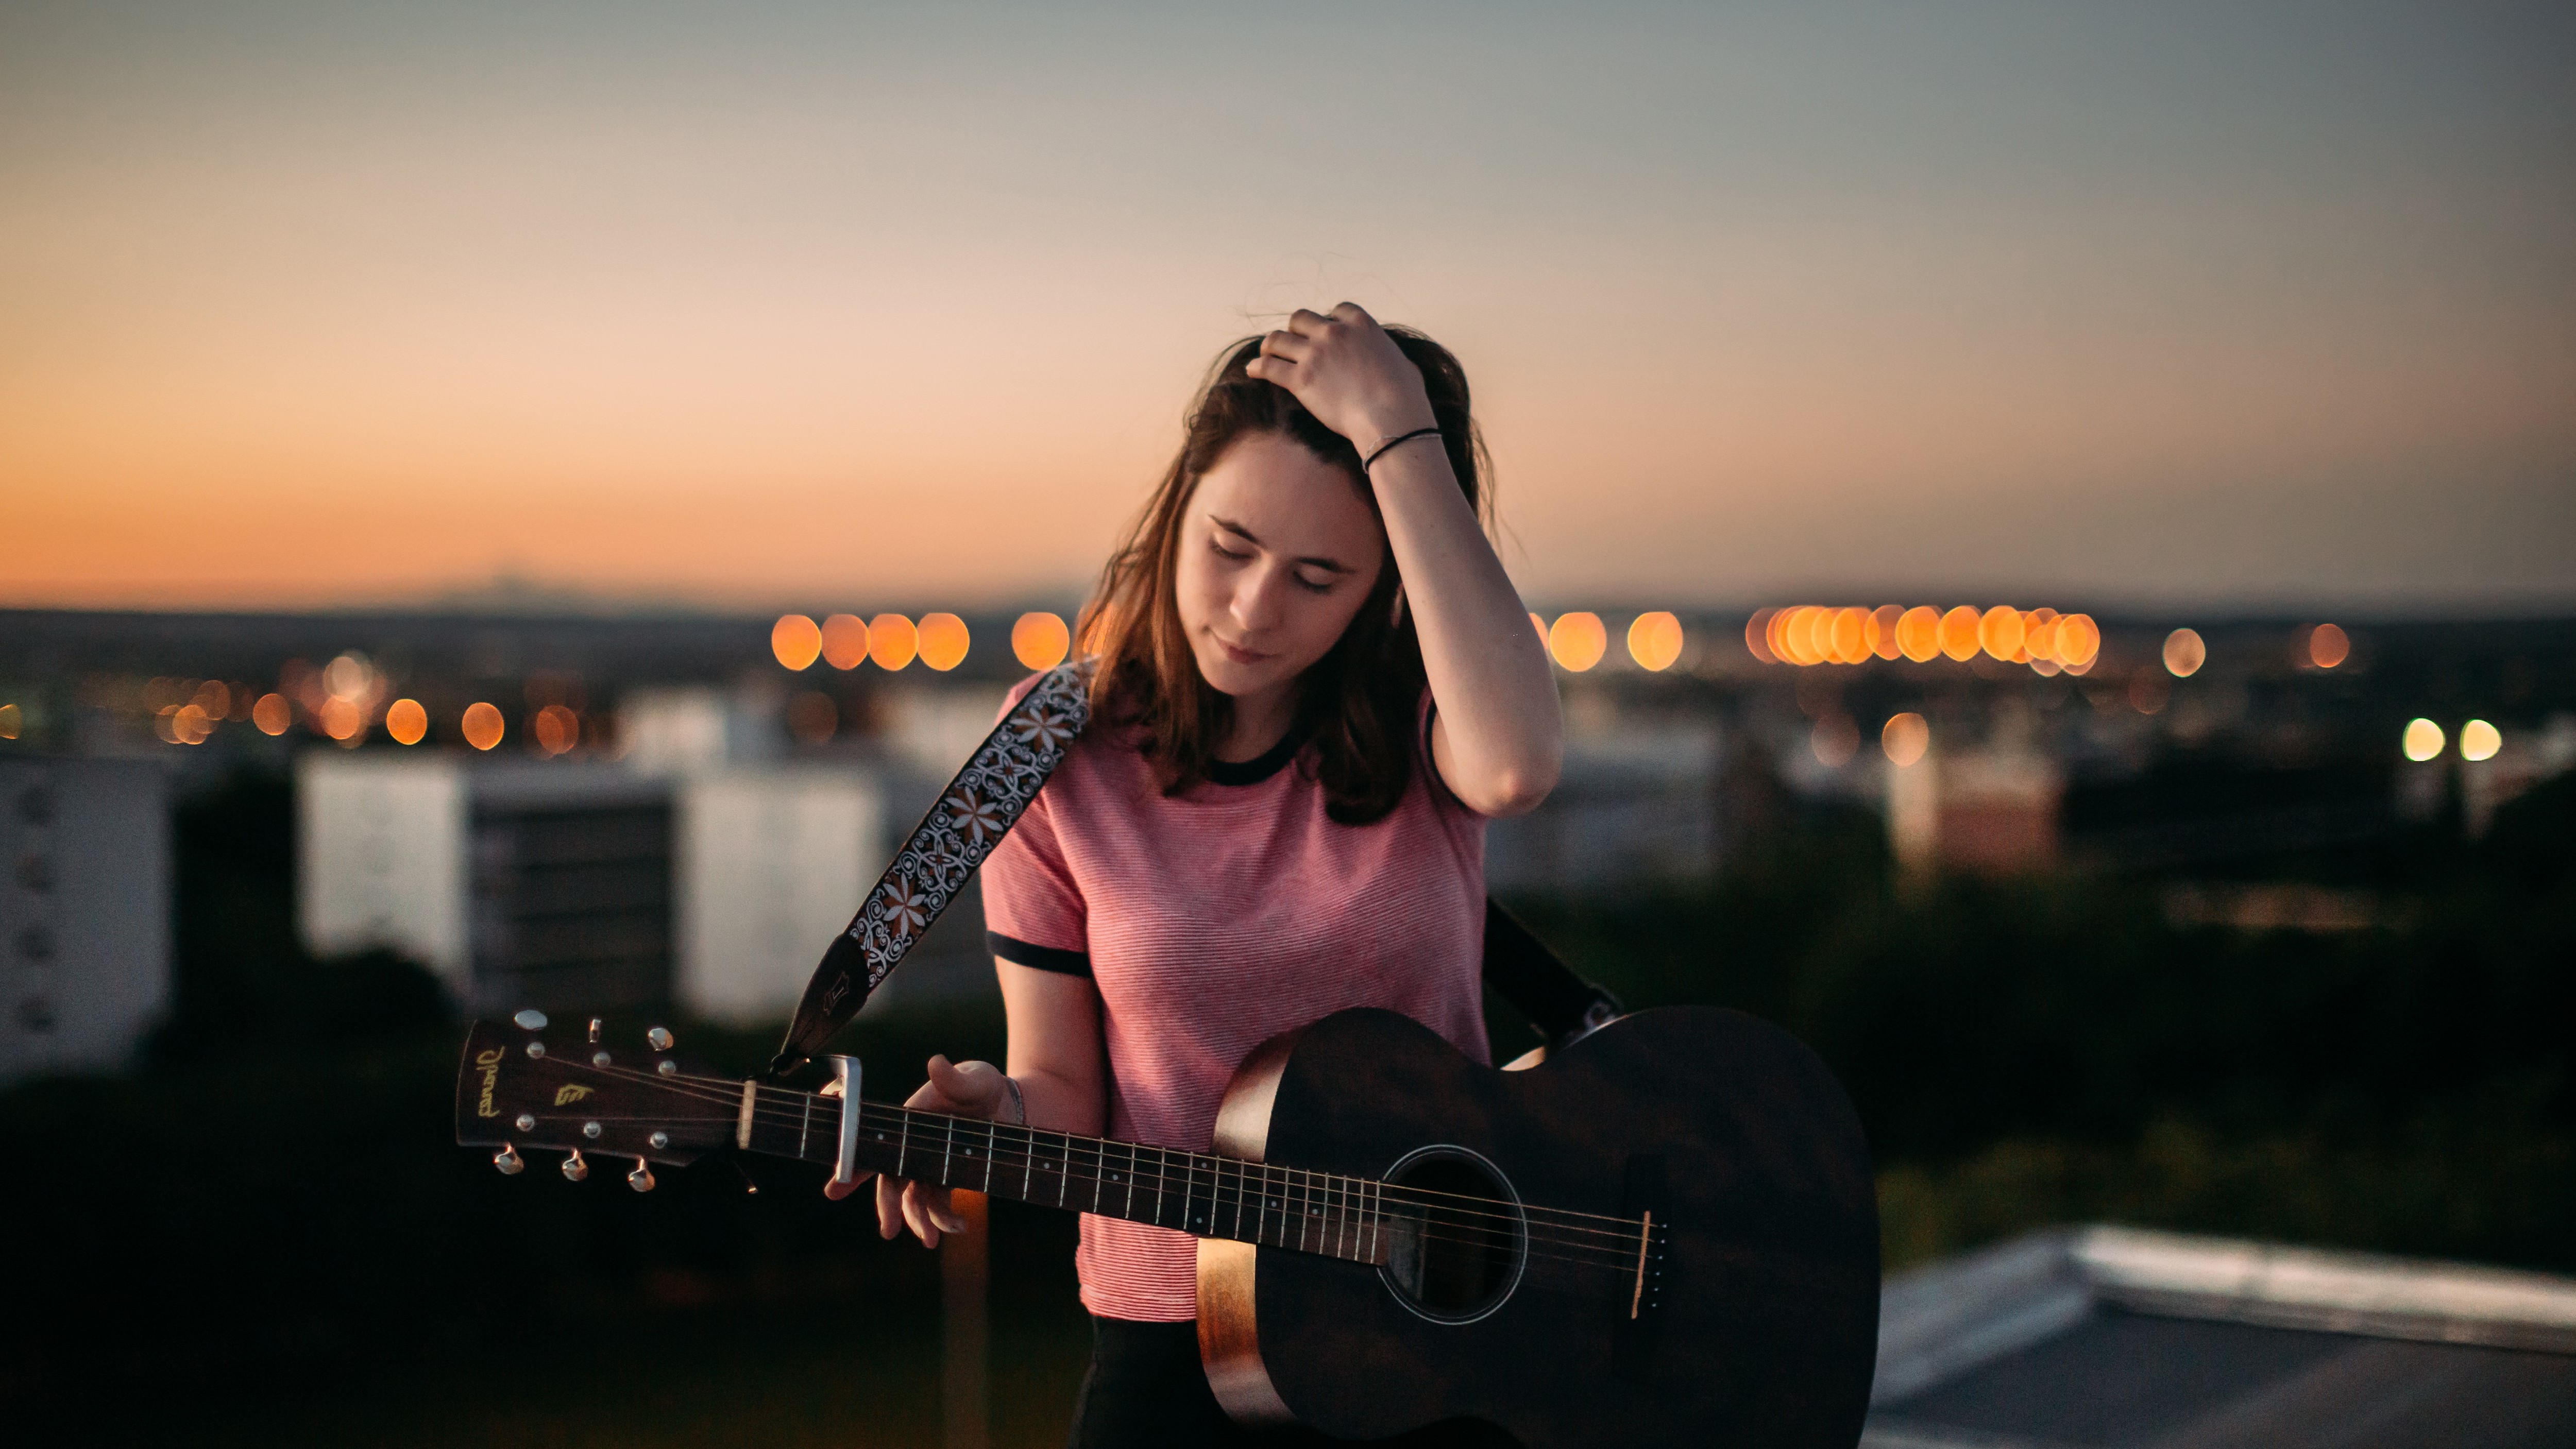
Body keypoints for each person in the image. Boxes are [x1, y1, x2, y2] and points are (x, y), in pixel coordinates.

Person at [831, 303, 1563, 1445]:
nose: (1253, 610)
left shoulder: (1428, 714)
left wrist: (1401, 430)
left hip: (1448, 1325)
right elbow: (1067, 1092)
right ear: (1178, 511)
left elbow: (1516, 766)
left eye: (1320, 577)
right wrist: (1000, 1109)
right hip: (1182, 1338)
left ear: (1383, 589)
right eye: (1229, 546)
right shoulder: (1050, 749)